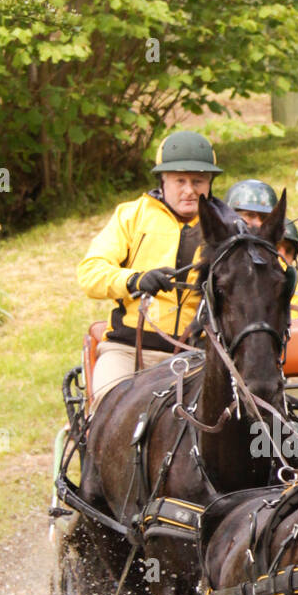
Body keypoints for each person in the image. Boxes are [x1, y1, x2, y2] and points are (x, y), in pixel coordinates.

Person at [77, 131, 222, 405]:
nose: (189, 190)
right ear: (162, 181)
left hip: (198, 356)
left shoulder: (226, 225)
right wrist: (135, 280)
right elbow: (90, 273)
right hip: (128, 352)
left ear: (210, 183)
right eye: (180, 180)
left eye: (198, 181)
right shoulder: (130, 215)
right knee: (108, 409)